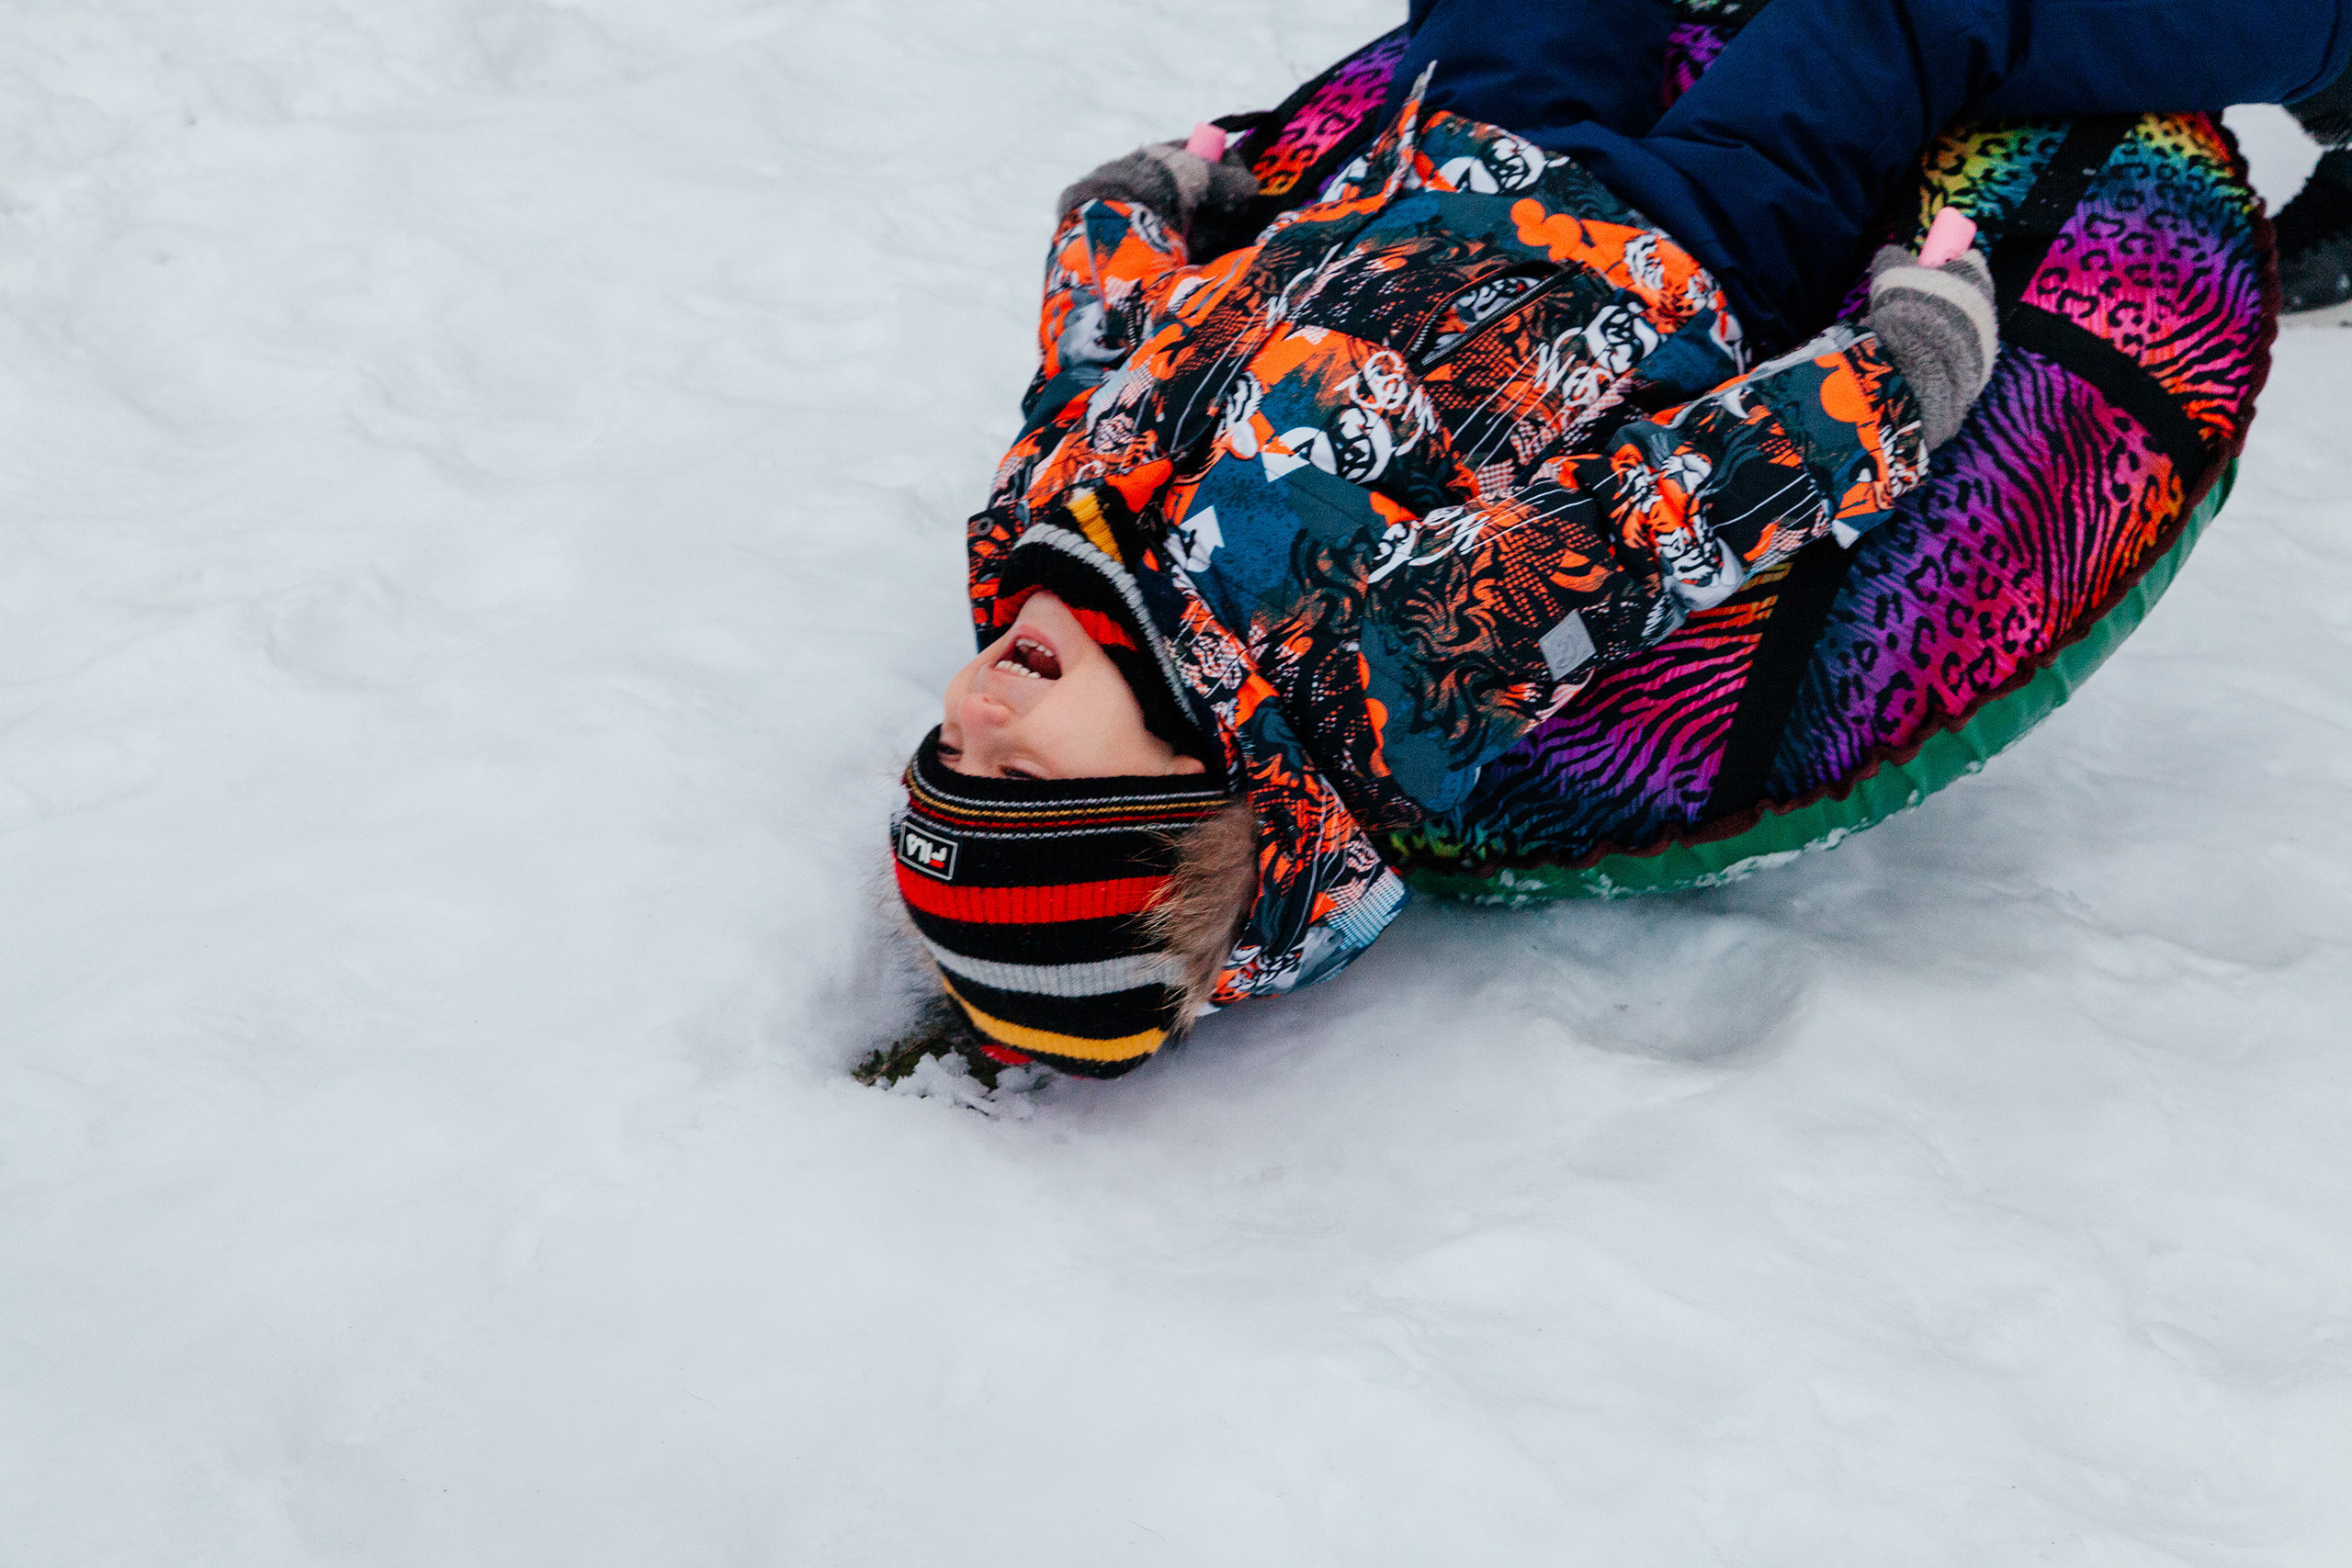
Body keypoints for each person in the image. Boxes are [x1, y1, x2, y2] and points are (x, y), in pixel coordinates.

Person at [875, 0, 2349, 1086]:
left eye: (951, 753)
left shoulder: (1032, 539)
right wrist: (1898, 375)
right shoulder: (1370, 683)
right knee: (1908, 16)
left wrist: (1122, 219)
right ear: (1187, 802)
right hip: (1678, 242)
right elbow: (1651, 524)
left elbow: (1086, 373)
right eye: (1021, 768)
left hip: (1442, 163)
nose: (977, 707)